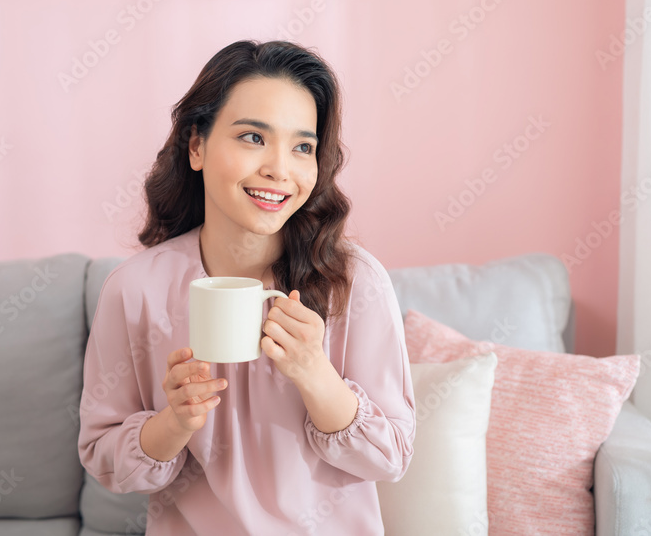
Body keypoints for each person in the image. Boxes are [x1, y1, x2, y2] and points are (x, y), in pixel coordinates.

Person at [77, 40, 416, 535]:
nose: (280, 169)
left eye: (303, 147)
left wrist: (314, 373)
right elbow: (105, 460)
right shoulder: (136, 289)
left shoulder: (354, 283)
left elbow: (391, 458)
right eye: (253, 138)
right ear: (197, 146)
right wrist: (175, 422)